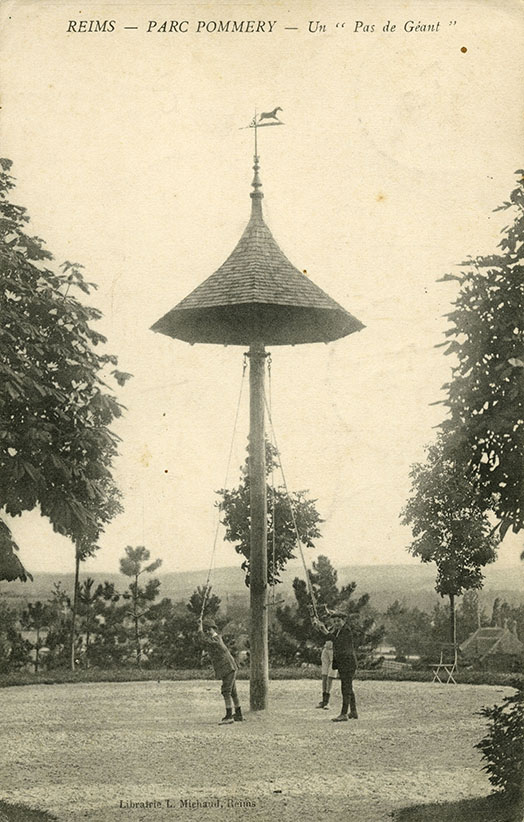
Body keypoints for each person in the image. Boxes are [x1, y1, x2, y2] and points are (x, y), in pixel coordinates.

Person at [313, 611, 358, 722]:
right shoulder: (339, 631)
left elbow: (337, 642)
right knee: (349, 687)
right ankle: (353, 711)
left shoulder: (346, 631)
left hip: (348, 663)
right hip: (345, 663)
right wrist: (323, 630)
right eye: (335, 621)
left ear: (344, 621)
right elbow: (331, 639)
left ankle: (343, 714)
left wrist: (325, 631)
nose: (337, 623)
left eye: (339, 621)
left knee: (345, 688)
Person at [197, 616, 243, 725]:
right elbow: (204, 641)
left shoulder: (216, 640)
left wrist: (199, 628)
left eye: (207, 630)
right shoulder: (216, 638)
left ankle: (229, 716)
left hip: (228, 668)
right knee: (232, 692)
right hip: (230, 667)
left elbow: (203, 640)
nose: (207, 632)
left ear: (211, 629)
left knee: (226, 691)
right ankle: (238, 714)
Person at [316, 639, 338, 709]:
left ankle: (327, 701)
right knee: (324, 676)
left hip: (334, 650)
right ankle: (323, 700)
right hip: (326, 649)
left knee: (330, 677)